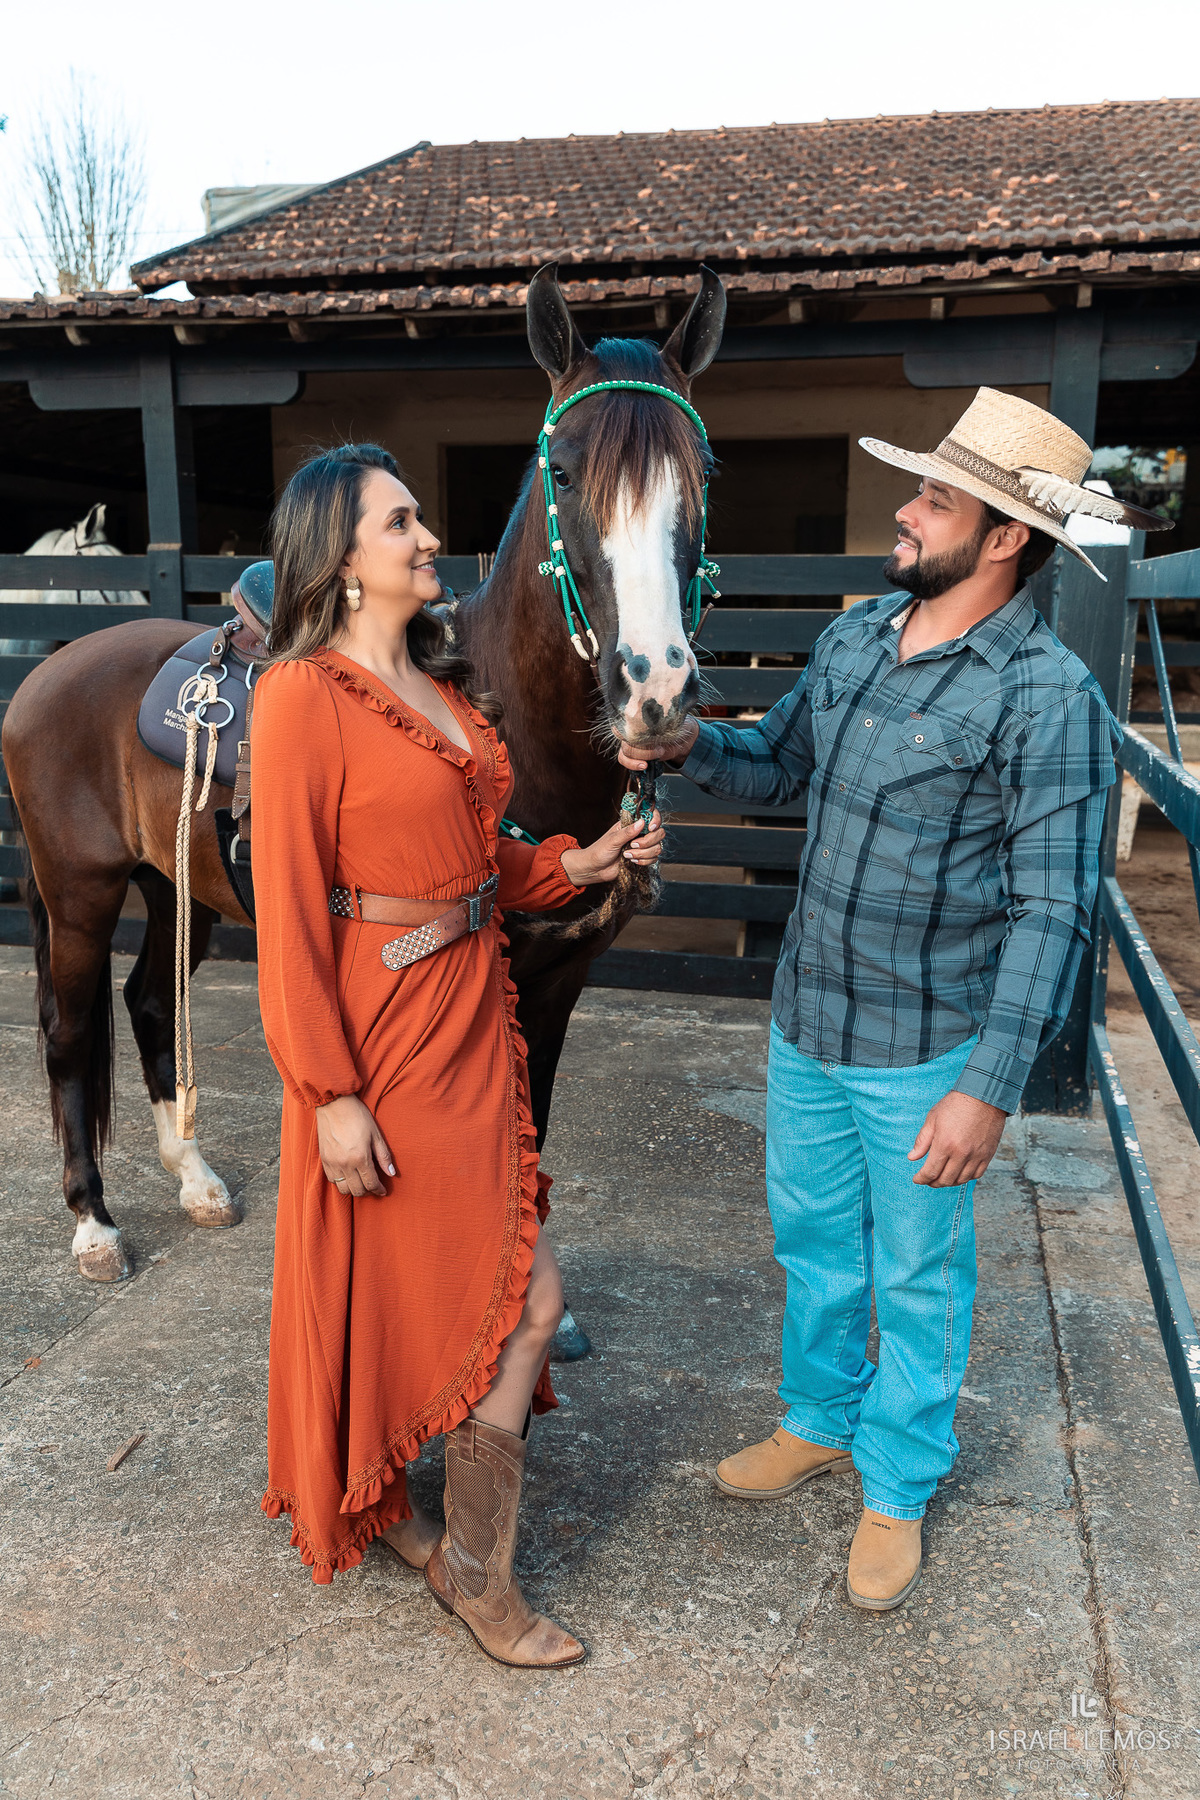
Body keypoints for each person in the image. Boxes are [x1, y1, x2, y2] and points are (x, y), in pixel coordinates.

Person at [620, 388, 1170, 1611]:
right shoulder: (860, 636)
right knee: (814, 1244)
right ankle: (820, 1420)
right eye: (918, 490)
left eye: (935, 500)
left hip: (925, 1050)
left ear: (1006, 537)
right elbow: (776, 767)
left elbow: (1052, 912)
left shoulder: (1047, 697)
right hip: (808, 1020)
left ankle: (900, 1481)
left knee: (920, 1276)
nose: (907, 513)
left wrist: (989, 1090)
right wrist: (688, 746)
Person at [253, 443, 663, 1666]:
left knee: (495, 1285)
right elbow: (288, 918)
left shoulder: (445, 685)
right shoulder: (302, 698)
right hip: (384, 1038)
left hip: (475, 1018)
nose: (429, 538)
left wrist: (576, 864)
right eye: (400, 523)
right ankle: (479, 1579)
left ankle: (445, 1541)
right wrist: (329, 1095)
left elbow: (479, 861)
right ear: (339, 558)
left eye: (419, 519)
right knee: (530, 1300)